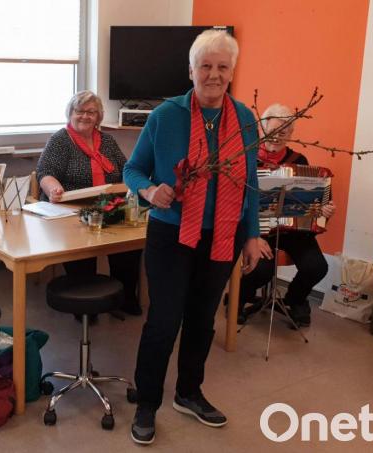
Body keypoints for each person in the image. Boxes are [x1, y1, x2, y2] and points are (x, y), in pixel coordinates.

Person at [122, 30, 261, 444]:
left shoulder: (246, 120)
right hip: (170, 233)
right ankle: (148, 401)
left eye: (222, 67)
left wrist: (251, 234)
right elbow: (133, 169)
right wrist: (149, 191)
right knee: (164, 321)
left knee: (203, 320)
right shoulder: (166, 115)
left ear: (232, 71)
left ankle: (188, 392)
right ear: (191, 70)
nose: (213, 75)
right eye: (205, 66)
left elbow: (250, 182)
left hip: (223, 236)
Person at [36, 90, 143, 317]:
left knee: (130, 246)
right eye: (80, 111)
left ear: (98, 117)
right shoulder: (60, 140)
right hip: (72, 209)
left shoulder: (107, 141)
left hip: (109, 206)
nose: (85, 116)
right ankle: (86, 304)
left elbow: (126, 170)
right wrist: (53, 188)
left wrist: (132, 187)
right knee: (82, 249)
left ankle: (123, 295)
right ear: (71, 113)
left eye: (91, 112)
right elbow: (45, 172)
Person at [237, 103, 336, 327]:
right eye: (272, 131)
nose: (277, 137)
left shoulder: (299, 161)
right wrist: (252, 236)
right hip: (258, 229)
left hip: (292, 230)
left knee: (317, 267)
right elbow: (235, 202)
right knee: (261, 269)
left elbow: (310, 203)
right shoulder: (247, 157)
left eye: (284, 132)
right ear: (262, 129)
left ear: (291, 134)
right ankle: (238, 299)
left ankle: (295, 300)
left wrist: (323, 210)